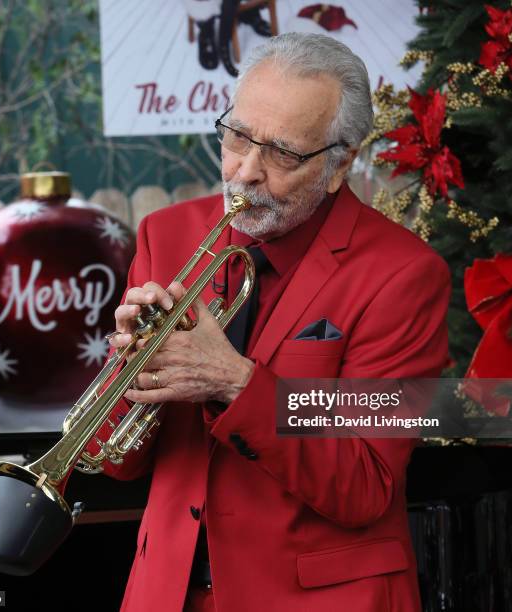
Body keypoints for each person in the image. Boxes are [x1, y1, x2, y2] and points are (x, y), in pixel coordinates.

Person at [88, 32, 450, 611]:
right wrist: (132, 380)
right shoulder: (167, 235)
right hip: (167, 594)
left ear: (339, 165)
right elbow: (115, 458)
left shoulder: (403, 276)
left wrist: (234, 383)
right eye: (238, 137)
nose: (246, 171)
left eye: (282, 153)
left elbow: (364, 482)